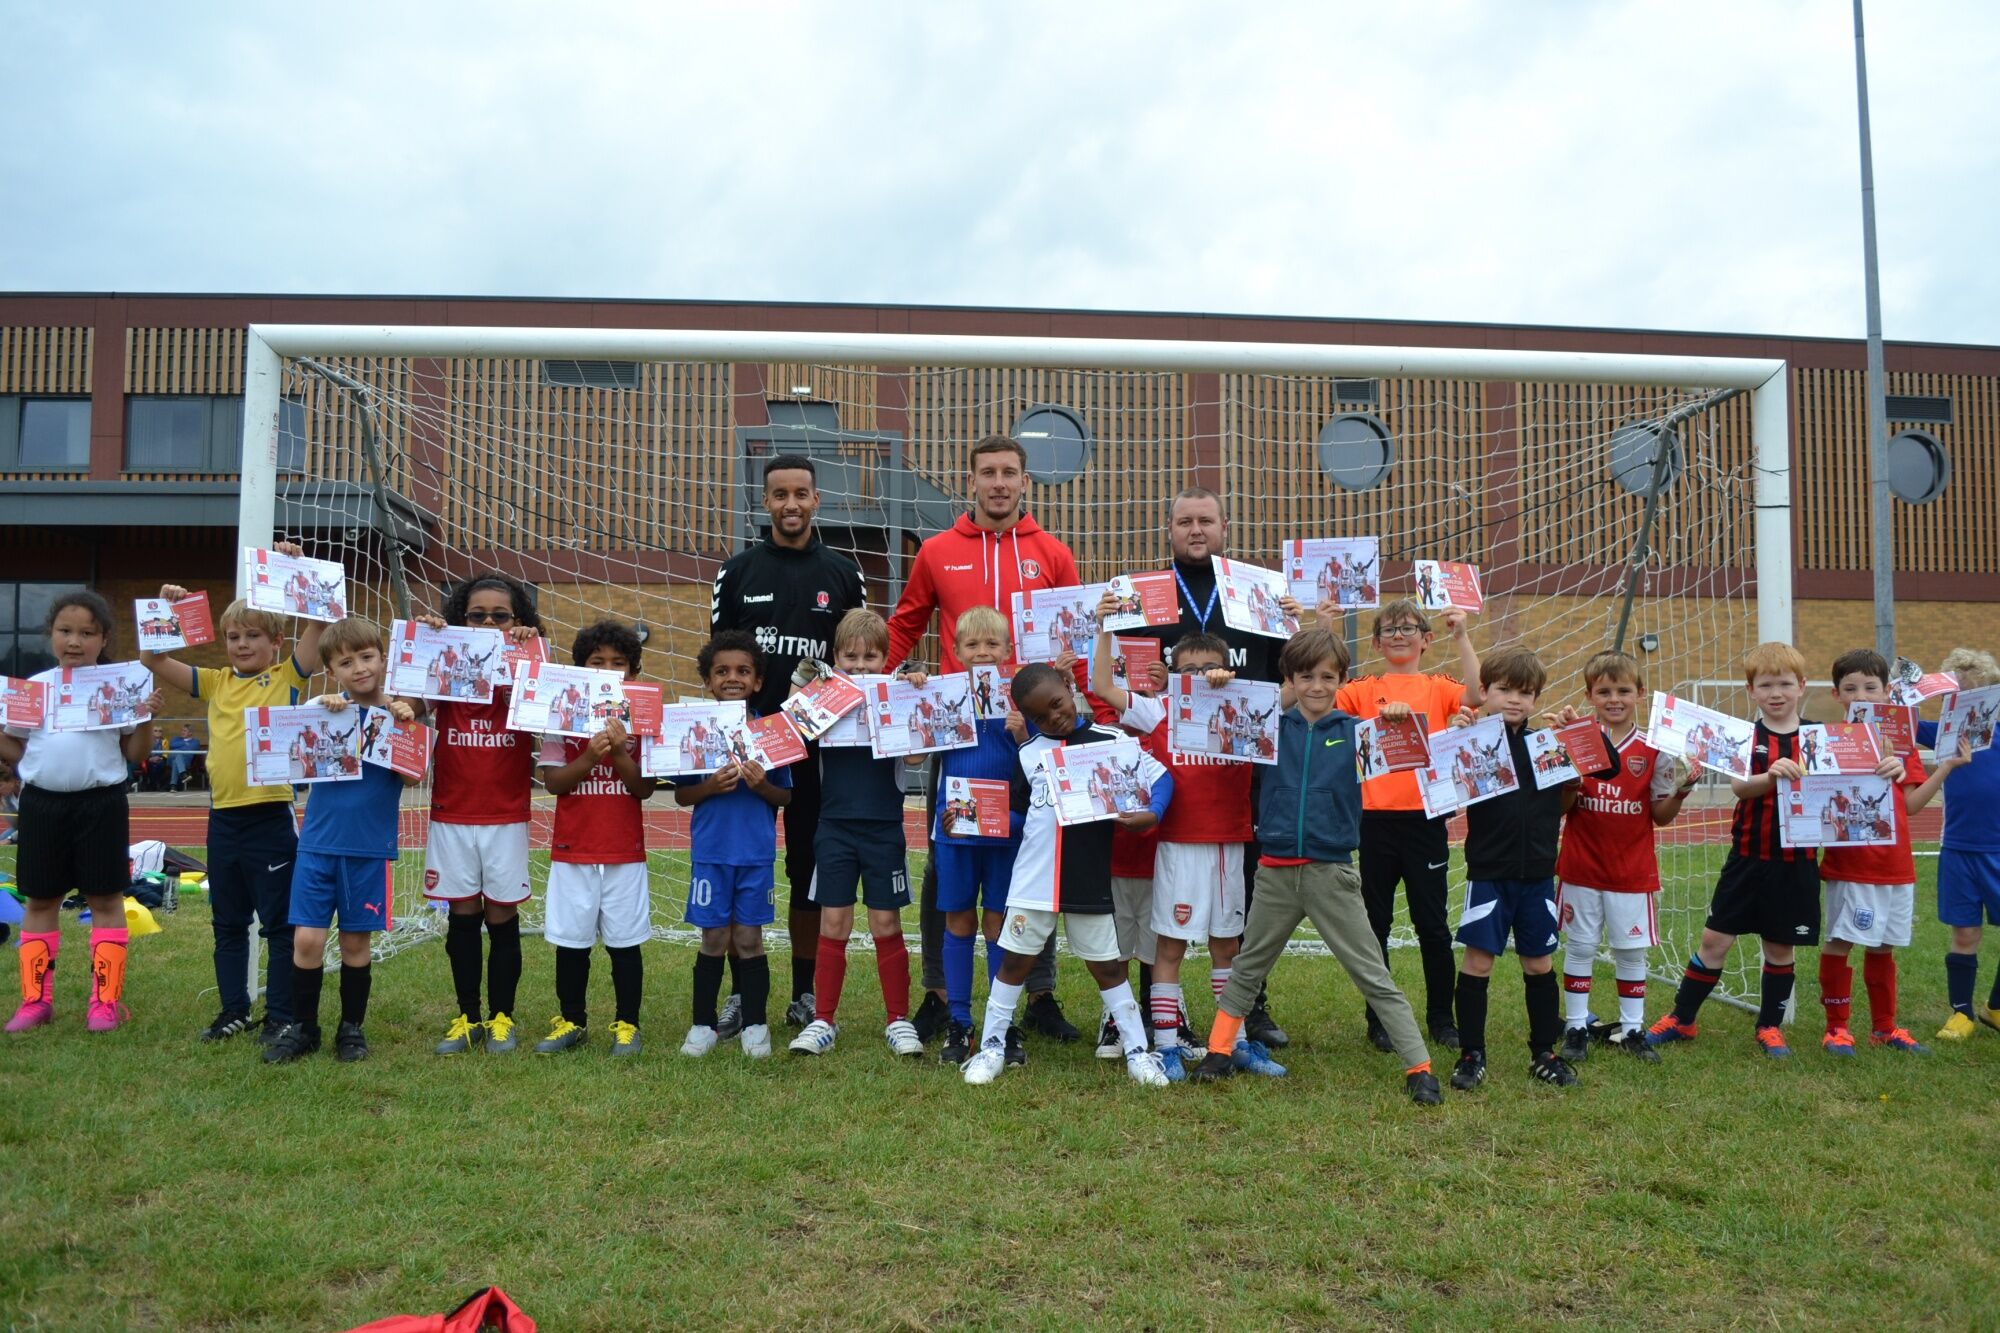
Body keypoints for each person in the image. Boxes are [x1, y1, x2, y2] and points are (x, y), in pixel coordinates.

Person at [1186, 629, 1441, 1106]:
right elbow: (1206, 715)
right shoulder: (1266, 727)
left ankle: (1419, 1067)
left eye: (1328, 677)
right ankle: (1218, 1053)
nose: (1317, 687)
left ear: (1342, 680)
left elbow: (1414, 753)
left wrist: (1398, 717)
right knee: (1248, 967)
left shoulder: (1357, 732)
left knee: (1373, 974)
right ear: (1290, 679)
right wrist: (1216, 684)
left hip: (1331, 874)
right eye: (1306, 677)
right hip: (1276, 871)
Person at [886, 434, 1082, 1046]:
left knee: (1029, 863)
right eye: (988, 473)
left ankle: (1038, 996)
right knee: (949, 869)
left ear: (1025, 482)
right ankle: (943, 995)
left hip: (1028, 738)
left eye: (1010, 473)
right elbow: (906, 623)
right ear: (971, 480)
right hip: (958, 737)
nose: (999, 482)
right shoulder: (939, 551)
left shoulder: (1052, 552)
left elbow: (1071, 635)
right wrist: (876, 685)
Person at [1647, 642, 1906, 1058]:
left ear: (1802, 686)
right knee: (1714, 941)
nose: (1776, 692)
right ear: (1752, 691)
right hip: (1748, 859)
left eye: (1785, 683)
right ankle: (1683, 1018)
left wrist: (1891, 766)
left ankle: (1769, 1027)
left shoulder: (1821, 737)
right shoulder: (1746, 737)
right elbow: (1739, 787)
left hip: (1797, 864)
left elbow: (1863, 776)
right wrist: (1770, 776)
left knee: (1779, 948)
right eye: (1766, 685)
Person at [143, 548, 328, 1045]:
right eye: (233, 636)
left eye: (253, 636)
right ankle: (233, 1011)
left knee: (279, 926)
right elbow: (153, 658)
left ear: (276, 641)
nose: (241, 644)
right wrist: (166, 607)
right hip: (222, 819)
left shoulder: (289, 676)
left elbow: (321, 620)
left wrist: (297, 567)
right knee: (227, 922)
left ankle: (282, 1015)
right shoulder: (215, 682)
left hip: (270, 817)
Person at [960, 663, 1174, 1087]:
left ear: (1070, 688)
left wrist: (1152, 814)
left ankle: (1137, 1052)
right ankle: (990, 1048)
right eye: (1040, 716)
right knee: (1015, 961)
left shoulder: (1112, 740)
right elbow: (1020, 816)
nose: (1054, 717)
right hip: (1034, 882)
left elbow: (1162, 778)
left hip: (1086, 877)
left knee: (1108, 967)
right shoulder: (1028, 754)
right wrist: (971, 820)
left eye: (1057, 704)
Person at [711, 454, 867, 1033]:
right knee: (739, 864)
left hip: (818, 747)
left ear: (816, 500)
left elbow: (862, 659)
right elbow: (717, 662)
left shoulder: (845, 574)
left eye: (801, 494)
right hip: (749, 746)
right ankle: (738, 989)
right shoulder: (737, 570)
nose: (791, 504)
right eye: (780, 495)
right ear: (766, 501)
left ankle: (804, 991)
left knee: (807, 867)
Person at [1090, 600, 1249, 1080]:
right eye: (1189, 669)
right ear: (1172, 675)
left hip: (1230, 842)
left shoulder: (1244, 705)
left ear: (1228, 670)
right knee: (1171, 946)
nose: (1200, 675)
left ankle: (1231, 1044)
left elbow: (1297, 693)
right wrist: (1102, 629)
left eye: (1210, 668)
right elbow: (1102, 688)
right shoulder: (1159, 709)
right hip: (1178, 843)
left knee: (1228, 945)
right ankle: (1167, 1046)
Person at [1446, 646, 1616, 1092]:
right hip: (1488, 873)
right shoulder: (1474, 738)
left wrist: (1579, 733)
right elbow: (1438, 782)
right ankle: (1471, 1053)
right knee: (1478, 963)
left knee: (1539, 964)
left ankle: (1544, 1052)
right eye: (1504, 690)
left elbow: (1609, 767)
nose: (1515, 700)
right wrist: (1453, 733)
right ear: (1485, 691)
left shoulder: (1548, 744)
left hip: (1538, 873)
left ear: (1536, 699)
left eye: (1526, 693)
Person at [1324, 596, 1483, 1054]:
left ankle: (1441, 1018)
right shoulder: (1361, 688)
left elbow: (1476, 694)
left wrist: (1462, 634)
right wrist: (1323, 624)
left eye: (1408, 627)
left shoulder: (1438, 686)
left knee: (1432, 926)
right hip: (1372, 822)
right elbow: (1317, 693)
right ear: (1375, 641)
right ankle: (1379, 1019)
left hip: (1426, 820)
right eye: (1389, 629)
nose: (1398, 634)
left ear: (1426, 639)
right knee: (1374, 925)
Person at [262, 618, 422, 1063]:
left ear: (383, 658)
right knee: (308, 942)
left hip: (368, 851)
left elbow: (413, 777)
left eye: (367, 657)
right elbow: (291, 747)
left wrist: (403, 723)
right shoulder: (323, 706)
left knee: (355, 944)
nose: (359, 669)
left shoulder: (400, 717)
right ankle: (303, 1028)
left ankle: (351, 1029)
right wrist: (323, 708)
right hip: (317, 847)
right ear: (332, 670)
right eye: (346, 663)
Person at [1, 590, 160, 1033]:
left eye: (86, 633)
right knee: (40, 899)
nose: (75, 641)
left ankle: (104, 1002)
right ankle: (36, 1001)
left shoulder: (120, 686)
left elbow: (134, 753)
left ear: (103, 637)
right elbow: (15, 749)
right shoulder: (33, 689)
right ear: (51, 634)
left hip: (101, 804)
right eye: (65, 631)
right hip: (42, 805)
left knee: (106, 898)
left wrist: (146, 718)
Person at [1552, 651, 1699, 1063]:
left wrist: (1682, 791)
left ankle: (1633, 1031)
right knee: (1579, 947)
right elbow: (1562, 808)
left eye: (1623, 690)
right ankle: (1577, 1027)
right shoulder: (1578, 740)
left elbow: (1660, 817)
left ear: (1640, 693)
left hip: (1631, 871)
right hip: (1580, 867)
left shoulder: (1657, 749)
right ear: (1589, 695)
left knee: (1631, 953)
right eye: (1603, 691)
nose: (1613, 698)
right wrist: (1569, 782)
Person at [418, 575, 543, 1057]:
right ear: (459, 620)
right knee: (463, 916)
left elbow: (545, 716)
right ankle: (468, 1015)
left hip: (506, 815)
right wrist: (428, 640)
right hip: (452, 814)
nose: (489, 623)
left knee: (502, 915)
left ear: (520, 622)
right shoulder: (446, 665)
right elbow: (408, 702)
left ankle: (502, 1018)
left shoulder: (528, 666)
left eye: (501, 616)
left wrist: (527, 657)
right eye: (477, 615)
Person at [1817, 648, 1964, 1055]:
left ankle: (1884, 1027)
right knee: (1841, 940)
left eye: (1870, 686)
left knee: (1884, 945)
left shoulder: (1902, 743)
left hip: (1897, 866)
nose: (1861, 694)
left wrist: (1945, 766)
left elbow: (1912, 806)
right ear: (1837, 695)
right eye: (1851, 688)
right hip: (1852, 866)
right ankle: (1836, 1028)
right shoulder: (1829, 741)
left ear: (1886, 692)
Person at [790, 609, 922, 1059]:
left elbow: (919, 760)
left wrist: (913, 695)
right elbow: (794, 728)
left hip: (884, 830)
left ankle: (898, 1020)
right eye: (851, 657)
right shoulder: (826, 696)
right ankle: (823, 1019)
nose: (861, 665)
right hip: (835, 828)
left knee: (886, 923)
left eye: (870, 657)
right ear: (836, 658)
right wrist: (804, 680)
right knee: (833, 922)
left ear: (885, 659)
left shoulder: (894, 694)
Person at [532, 621, 656, 1058]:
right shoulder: (560, 716)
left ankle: (627, 1023)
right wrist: (589, 753)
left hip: (624, 850)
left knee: (625, 944)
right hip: (573, 849)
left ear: (633, 674)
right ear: (581, 670)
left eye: (619, 664)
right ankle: (572, 1019)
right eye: (596, 662)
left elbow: (643, 788)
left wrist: (619, 750)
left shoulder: (643, 719)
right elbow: (555, 784)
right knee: (571, 943)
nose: (608, 670)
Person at [673, 631, 792, 1060]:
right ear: (708, 680)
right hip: (711, 854)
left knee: (749, 938)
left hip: (755, 856)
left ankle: (755, 1025)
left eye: (743, 671)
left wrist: (761, 786)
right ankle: (701, 1026)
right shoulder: (696, 731)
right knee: (713, 937)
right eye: (722, 671)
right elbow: (683, 795)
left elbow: (785, 797)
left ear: (757, 681)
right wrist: (710, 785)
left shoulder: (772, 733)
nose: (732, 678)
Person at [928, 606, 1026, 1064]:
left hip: (1008, 832)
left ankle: (1000, 1023)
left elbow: (1045, 761)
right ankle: (960, 1022)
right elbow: (911, 754)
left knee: (999, 924)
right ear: (955, 651)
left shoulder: (1021, 699)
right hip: (956, 830)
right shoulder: (944, 696)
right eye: (972, 644)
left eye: (992, 644)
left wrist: (1025, 733)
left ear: (1009, 650)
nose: (982, 652)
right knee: (959, 921)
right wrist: (913, 689)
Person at [1922, 648, 2000, 1038]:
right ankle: (1962, 1013)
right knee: (1965, 934)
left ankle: (1995, 1008)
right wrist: (1904, 691)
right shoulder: (1941, 735)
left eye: (1972, 697)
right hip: (1959, 850)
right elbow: (1891, 724)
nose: (1961, 706)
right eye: (1951, 698)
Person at [168, 723, 201, 790]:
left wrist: (178, 748)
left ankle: (173, 785)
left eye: (184, 731)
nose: (182, 732)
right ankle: (183, 774)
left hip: (186, 761)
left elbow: (191, 748)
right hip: (171, 759)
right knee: (177, 754)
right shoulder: (176, 739)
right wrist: (185, 743)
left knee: (176, 761)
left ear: (190, 733)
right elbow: (171, 745)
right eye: (182, 730)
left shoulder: (195, 742)